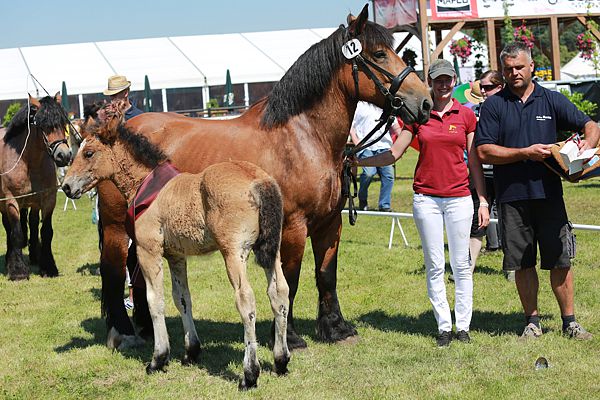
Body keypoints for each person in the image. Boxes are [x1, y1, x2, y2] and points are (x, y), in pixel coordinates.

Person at [354, 59, 489, 347]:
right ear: (430, 81)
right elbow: (393, 153)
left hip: (460, 198)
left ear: (455, 81)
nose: (443, 85)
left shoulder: (466, 115)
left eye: (447, 80)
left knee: (461, 264)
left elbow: (474, 161)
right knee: (434, 265)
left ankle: (462, 326)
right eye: (437, 80)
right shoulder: (417, 116)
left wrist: (483, 199)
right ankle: (443, 326)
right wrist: (358, 160)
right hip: (426, 199)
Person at [476, 42, 600, 340]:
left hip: (549, 194)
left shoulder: (551, 99)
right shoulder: (494, 105)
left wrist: (588, 146)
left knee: (560, 259)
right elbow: (484, 152)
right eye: (508, 69)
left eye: (519, 67)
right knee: (522, 262)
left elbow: (591, 125)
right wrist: (524, 152)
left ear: (532, 66)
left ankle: (569, 322)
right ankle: (532, 322)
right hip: (512, 196)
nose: (514, 73)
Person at [102, 75, 144, 310]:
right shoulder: (107, 120)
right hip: (113, 190)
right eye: (109, 96)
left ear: (126, 94)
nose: (111, 100)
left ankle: (135, 295)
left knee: (137, 246)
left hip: (136, 189)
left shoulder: (140, 119)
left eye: (115, 95)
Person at [349, 101, 402, 212]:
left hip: (384, 146)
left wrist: (402, 141)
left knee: (388, 176)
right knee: (368, 173)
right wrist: (357, 142)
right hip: (365, 146)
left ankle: (384, 205)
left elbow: (395, 126)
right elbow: (351, 126)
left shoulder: (386, 105)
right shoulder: (359, 105)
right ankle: (362, 199)